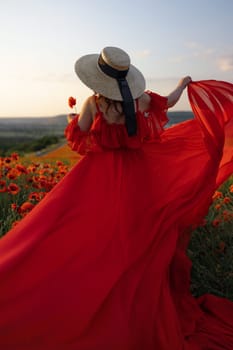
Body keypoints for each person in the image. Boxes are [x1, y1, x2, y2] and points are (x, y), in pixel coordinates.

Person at [0, 46, 233, 349]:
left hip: (100, 175)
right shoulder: (139, 100)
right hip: (140, 176)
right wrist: (183, 83)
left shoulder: (94, 103)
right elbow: (171, 102)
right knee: (136, 239)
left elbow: (78, 141)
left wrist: (75, 120)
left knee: (77, 233)